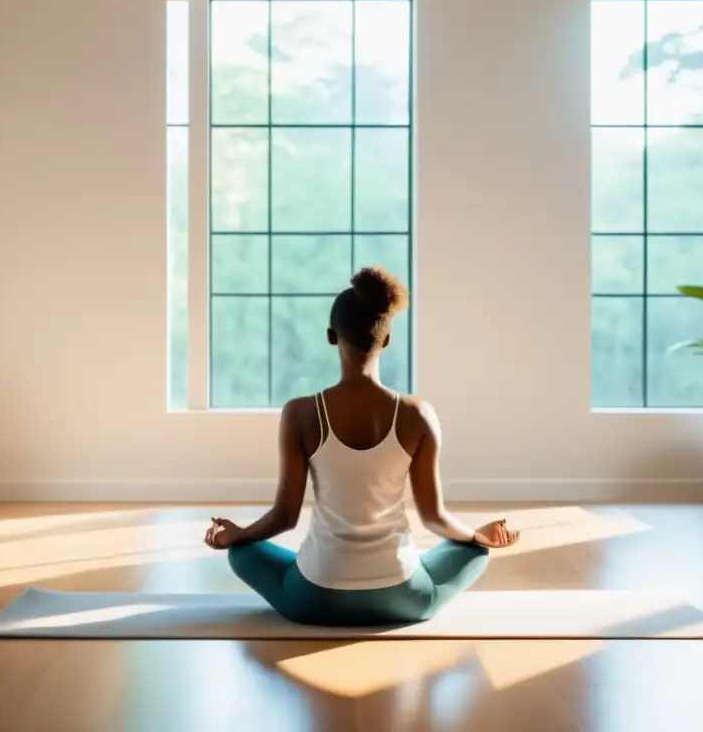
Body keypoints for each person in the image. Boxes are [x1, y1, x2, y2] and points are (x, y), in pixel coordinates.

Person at [203, 266, 520, 627]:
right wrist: (480, 536)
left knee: (242, 552)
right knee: (476, 551)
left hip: (314, 597)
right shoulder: (419, 414)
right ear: (386, 340)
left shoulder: (300, 413)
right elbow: (434, 518)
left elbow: (284, 517)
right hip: (403, 596)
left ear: (331, 337)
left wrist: (238, 534)